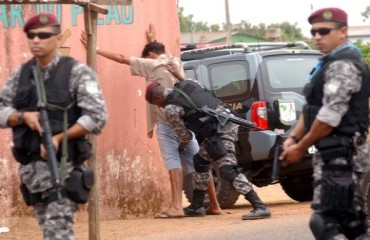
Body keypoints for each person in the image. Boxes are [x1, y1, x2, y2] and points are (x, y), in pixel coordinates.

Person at [80, 24, 222, 217]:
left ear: (151, 56)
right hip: (186, 123)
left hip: (167, 123)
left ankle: (176, 207)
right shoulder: (175, 61)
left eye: (146, 58)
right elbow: (158, 54)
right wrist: (152, 41)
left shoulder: (152, 64)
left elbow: (122, 58)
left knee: (173, 163)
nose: (144, 64)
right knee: (200, 164)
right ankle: (214, 205)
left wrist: (94, 48)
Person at [0, 13, 107, 239]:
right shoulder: (22, 75)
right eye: (31, 35)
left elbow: (96, 116)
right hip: (33, 173)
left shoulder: (77, 73)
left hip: (63, 169)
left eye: (43, 35)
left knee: (57, 233)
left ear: (58, 39)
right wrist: (22, 117)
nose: (36, 40)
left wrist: (60, 138)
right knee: (52, 231)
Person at [280, 7, 370, 240]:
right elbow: (312, 109)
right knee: (352, 225)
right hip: (333, 152)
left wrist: (300, 147)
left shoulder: (343, 66)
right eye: (313, 32)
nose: (317, 36)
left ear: (343, 32)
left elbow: (329, 117)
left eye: (324, 31)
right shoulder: (327, 64)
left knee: (325, 222)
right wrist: (293, 138)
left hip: (344, 155)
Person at [145, 79, 271, 220]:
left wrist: (182, 146)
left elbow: (185, 136)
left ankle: (259, 206)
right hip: (222, 122)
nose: (158, 107)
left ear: (158, 98)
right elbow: (208, 95)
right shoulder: (188, 83)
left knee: (227, 169)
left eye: (155, 104)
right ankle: (197, 206)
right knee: (200, 161)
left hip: (221, 131)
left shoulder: (170, 109)